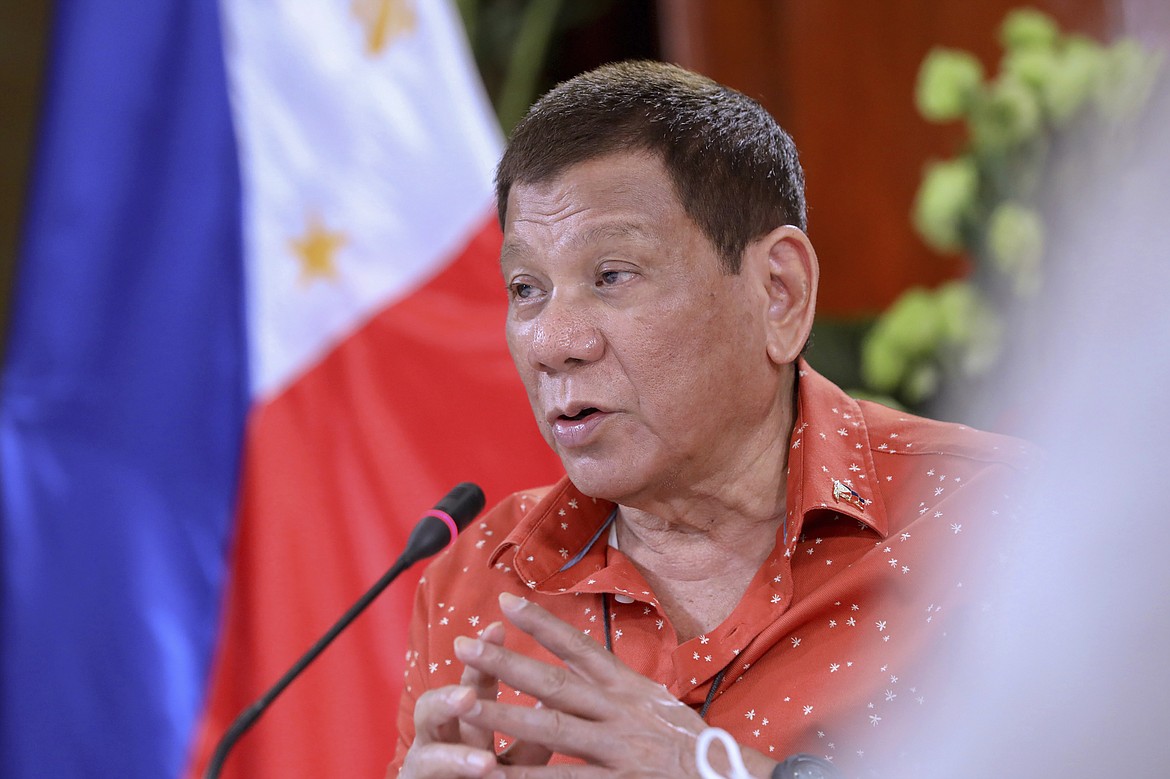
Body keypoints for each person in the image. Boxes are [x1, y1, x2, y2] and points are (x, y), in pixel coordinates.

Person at [386, 60, 1031, 779]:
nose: (552, 342)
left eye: (611, 274)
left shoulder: (1006, 519)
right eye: (526, 288)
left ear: (778, 293)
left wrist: (716, 771)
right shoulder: (479, 578)